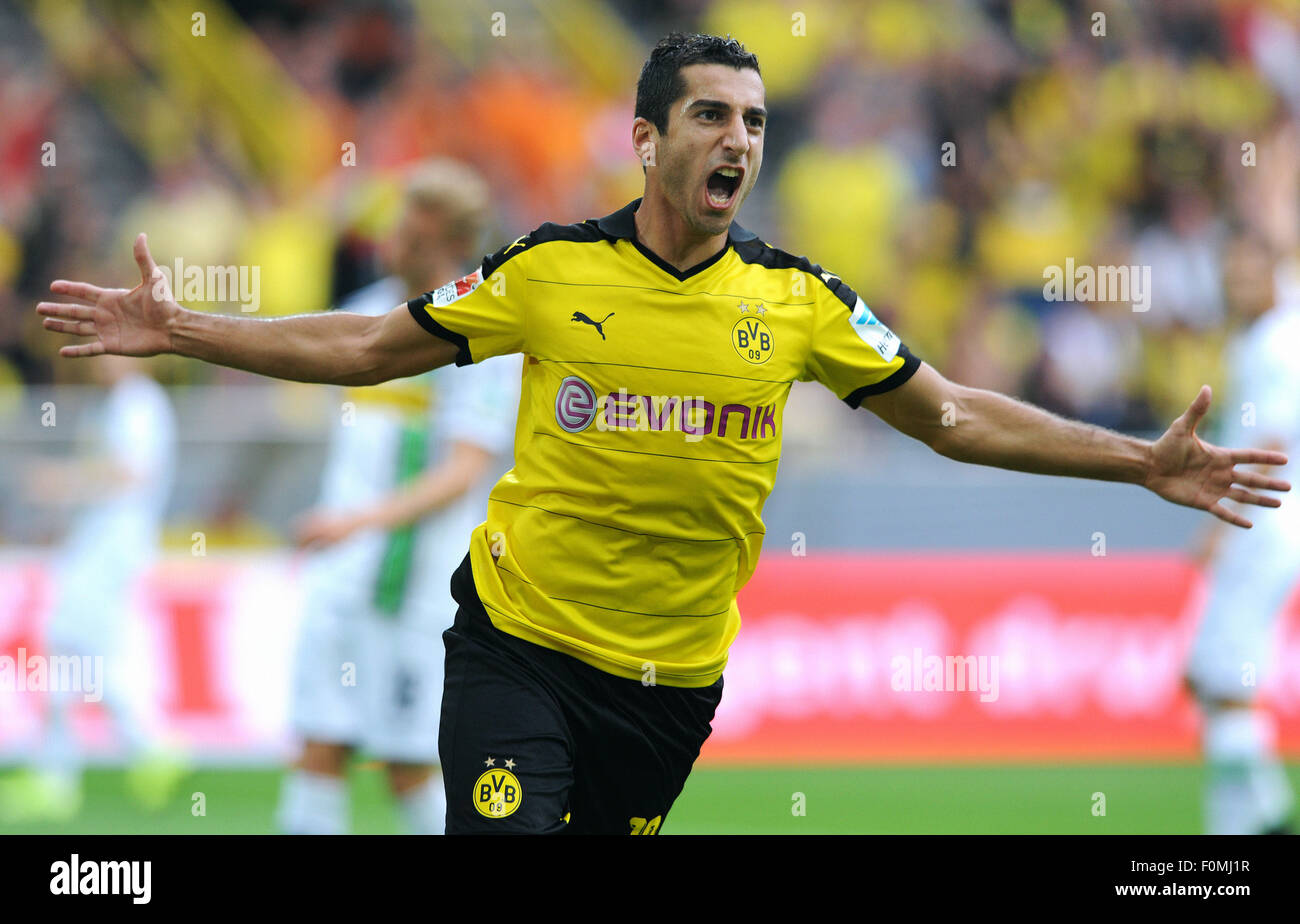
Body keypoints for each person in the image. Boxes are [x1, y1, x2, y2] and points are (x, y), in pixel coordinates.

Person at [36, 33, 1290, 835]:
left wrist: (1137, 461)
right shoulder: (545, 271)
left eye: (751, 120)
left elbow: (952, 414)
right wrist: (191, 332)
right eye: (709, 117)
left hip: (672, 685)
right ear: (646, 139)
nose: (738, 137)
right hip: (517, 649)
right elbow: (371, 349)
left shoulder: (799, 302)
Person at [276, 160, 518, 835]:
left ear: (448, 244)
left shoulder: (481, 338)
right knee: (318, 746)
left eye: (412, 231)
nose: (394, 239)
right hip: (339, 571)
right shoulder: (362, 315)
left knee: (406, 763)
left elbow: (463, 471)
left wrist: (358, 522)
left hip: (412, 587)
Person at [0, 355, 183, 821]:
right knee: (72, 651)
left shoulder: (138, 405)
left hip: (113, 544)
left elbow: (130, 474)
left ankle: (147, 747)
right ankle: (62, 776)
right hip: (100, 541)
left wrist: (62, 482)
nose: (100, 359)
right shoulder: (120, 404)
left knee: (71, 647)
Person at [1185, 233, 1300, 834]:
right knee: (1205, 677)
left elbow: (1270, 447)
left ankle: (1231, 840)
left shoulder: (1277, 342)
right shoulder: (1264, 336)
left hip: (1262, 524)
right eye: (1231, 273)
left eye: (1250, 272)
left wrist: (1218, 523)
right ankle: (1270, 813)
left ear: (1277, 273)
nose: (1238, 283)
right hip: (1261, 527)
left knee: (1226, 685)